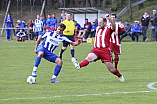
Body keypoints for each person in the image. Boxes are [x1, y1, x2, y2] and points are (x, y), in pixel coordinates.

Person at [73, 15, 125, 82]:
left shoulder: (108, 29)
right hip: (96, 49)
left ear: (105, 23)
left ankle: (120, 76)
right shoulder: (97, 28)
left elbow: (113, 27)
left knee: (111, 69)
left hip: (105, 51)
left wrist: (110, 19)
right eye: (98, 23)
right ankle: (79, 65)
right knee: (89, 58)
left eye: (100, 23)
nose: (99, 24)